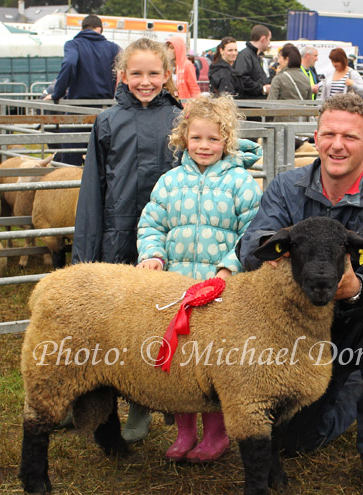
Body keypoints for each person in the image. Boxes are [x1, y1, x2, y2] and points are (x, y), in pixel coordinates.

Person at [237, 93, 363, 495]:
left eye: (350, 136)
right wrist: (274, 257)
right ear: (315, 138)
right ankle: (346, 391)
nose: (337, 144)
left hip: (356, 323)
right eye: (329, 133)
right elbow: (252, 246)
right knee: (294, 442)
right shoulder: (285, 189)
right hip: (296, 323)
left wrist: (355, 288)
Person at [136, 94, 262, 462]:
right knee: (179, 363)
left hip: (222, 290)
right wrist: (153, 255)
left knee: (216, 364)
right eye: (196, 138)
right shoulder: (170, 182)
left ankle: (217, 434)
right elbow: (152, 223)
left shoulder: (241, 183)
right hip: (177, 288)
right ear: (183, 139)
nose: (204, 146)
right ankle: (184, 431)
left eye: (213, 139)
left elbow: (251, 232)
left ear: (227, 141)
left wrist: (228, 268)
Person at [71, 38, 183, 443]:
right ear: (123, 75)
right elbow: (93, 190)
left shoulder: (180, 120)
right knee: (112, 323)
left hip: (162, 238)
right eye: (136, 73)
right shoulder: (108, 121)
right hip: (117, 234)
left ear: (168, 75)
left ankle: (144, 403)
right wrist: (86, 254)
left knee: (153, 319)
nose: (145, 81)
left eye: (154, 73)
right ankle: (97, 403)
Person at [45, 15, 120, 166]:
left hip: (77, 109)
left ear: (82, 28)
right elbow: (123, 71)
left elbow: (70, 62)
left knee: (72, 156)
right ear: (100, 29)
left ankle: (70, 186)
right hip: (105, 111)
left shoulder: (74, 45)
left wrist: (56, 94)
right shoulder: (113, 48)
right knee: (103, 157)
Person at [267, 43, 312, 120]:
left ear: (287, 59)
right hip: (302, 123)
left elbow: (269, 104)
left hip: (282, 123)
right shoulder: (306, 78)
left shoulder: (279, 78)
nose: (278, 61)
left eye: (279, 58)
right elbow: (309, 103)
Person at [234, 24, 272, 99]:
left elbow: (258, 79)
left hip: (255, 104)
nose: (269, 43)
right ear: (263, 39)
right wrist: (262, 89)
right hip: (248, 106)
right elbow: (242, 80)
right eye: (269, 39)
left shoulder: (255, 56)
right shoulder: (245, 55)